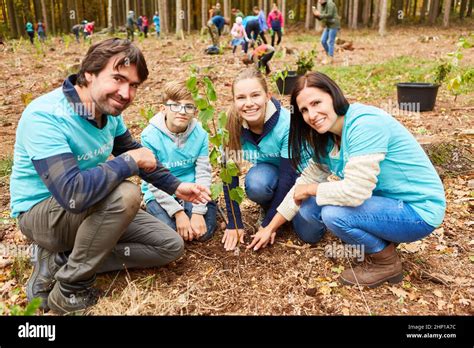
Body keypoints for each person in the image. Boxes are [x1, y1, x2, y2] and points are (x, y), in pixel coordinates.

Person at [10, 38, 211, 314]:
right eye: (118, 79)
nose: (126, 93)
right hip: (43, 214)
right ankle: (69, 289)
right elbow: (73, 194)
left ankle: (62, 260)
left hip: (92, 206)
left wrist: (176, 186)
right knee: (127, 193)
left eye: (134, 85)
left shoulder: (108, 112)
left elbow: (136, 154)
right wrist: (128, 161)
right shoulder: (46, 116)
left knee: (169, 246)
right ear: (89, 73)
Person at [249, 72, 446, 288]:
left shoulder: (364, 125)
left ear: (334, 96)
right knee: (324, 208)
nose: (312, 115)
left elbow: (355, 192)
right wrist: (270, 227)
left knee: (334, 213)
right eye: (304, 110)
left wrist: (312, 190)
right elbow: (301, 184)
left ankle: (386, 263)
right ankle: (384, 236)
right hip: (390, 204)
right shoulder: (326, 139)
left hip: (419, 211)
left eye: (316, 103)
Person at [222, 68, 303, 251]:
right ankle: (270, 207)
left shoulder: (287, 123)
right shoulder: (231, 124)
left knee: (308, 233)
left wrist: (268, 225)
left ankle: (283, 214)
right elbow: (229, 174)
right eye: (241, 97)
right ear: (234, 101)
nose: (249, 103)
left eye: (255, 95)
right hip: (270, 172)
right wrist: (234, 222)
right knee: (256, 183)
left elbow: (288, 178)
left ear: (267, 96)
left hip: (300, 176)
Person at [142, 81, 217, 243]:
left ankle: (201, 210)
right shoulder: (149, 136)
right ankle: (161, 214)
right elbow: (153, 182)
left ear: (194, 111)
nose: (182, 111)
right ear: (163, 109)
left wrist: (197, 212)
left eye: (188, 106)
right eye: (175, 105)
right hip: (160, 192)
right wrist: (178, 213)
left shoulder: (201, 135)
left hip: (193, 190)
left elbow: (203, 172)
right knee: (172, 235)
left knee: (203, 233)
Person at [312, 0, 340, 65]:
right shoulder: (323, 6)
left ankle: (330, 58)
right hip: (328, 25)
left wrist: (320, 15)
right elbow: (322, 17)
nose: (319, 1)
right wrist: (316, 15)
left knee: (331, 41)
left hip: (334, 24)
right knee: (323, 40)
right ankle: (328, 55)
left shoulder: (330, 3)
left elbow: (330, 15)